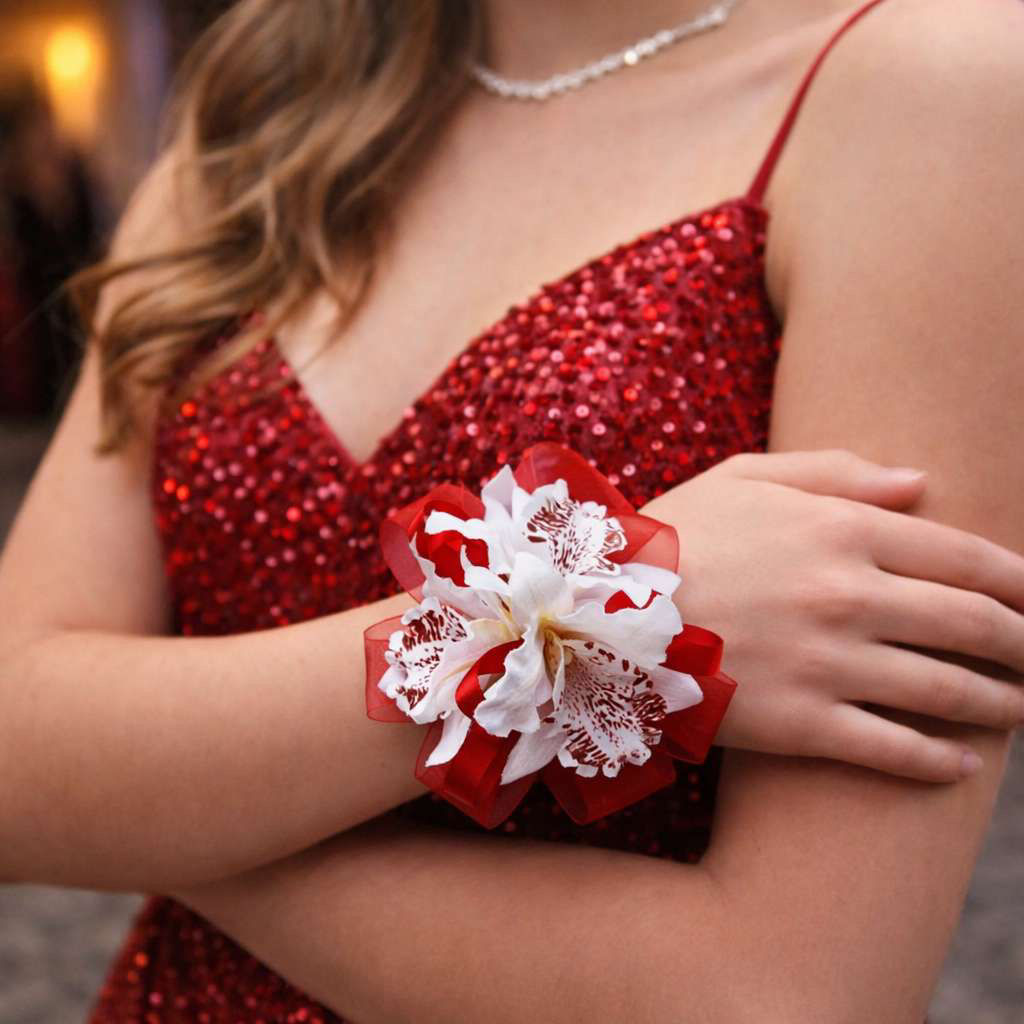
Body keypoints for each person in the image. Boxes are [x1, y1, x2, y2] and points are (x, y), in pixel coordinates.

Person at [0, 0, 1021, 1020]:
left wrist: (156, 812)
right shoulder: (268, 93)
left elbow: (781, 995)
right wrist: (598, 611)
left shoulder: (939, 81)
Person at [0, 74, 103, 419]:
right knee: (44, 366)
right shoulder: (15, 180)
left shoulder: (73, 166)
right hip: (37, 295)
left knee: (79, 360)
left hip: (77, 284)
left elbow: (90, 229)